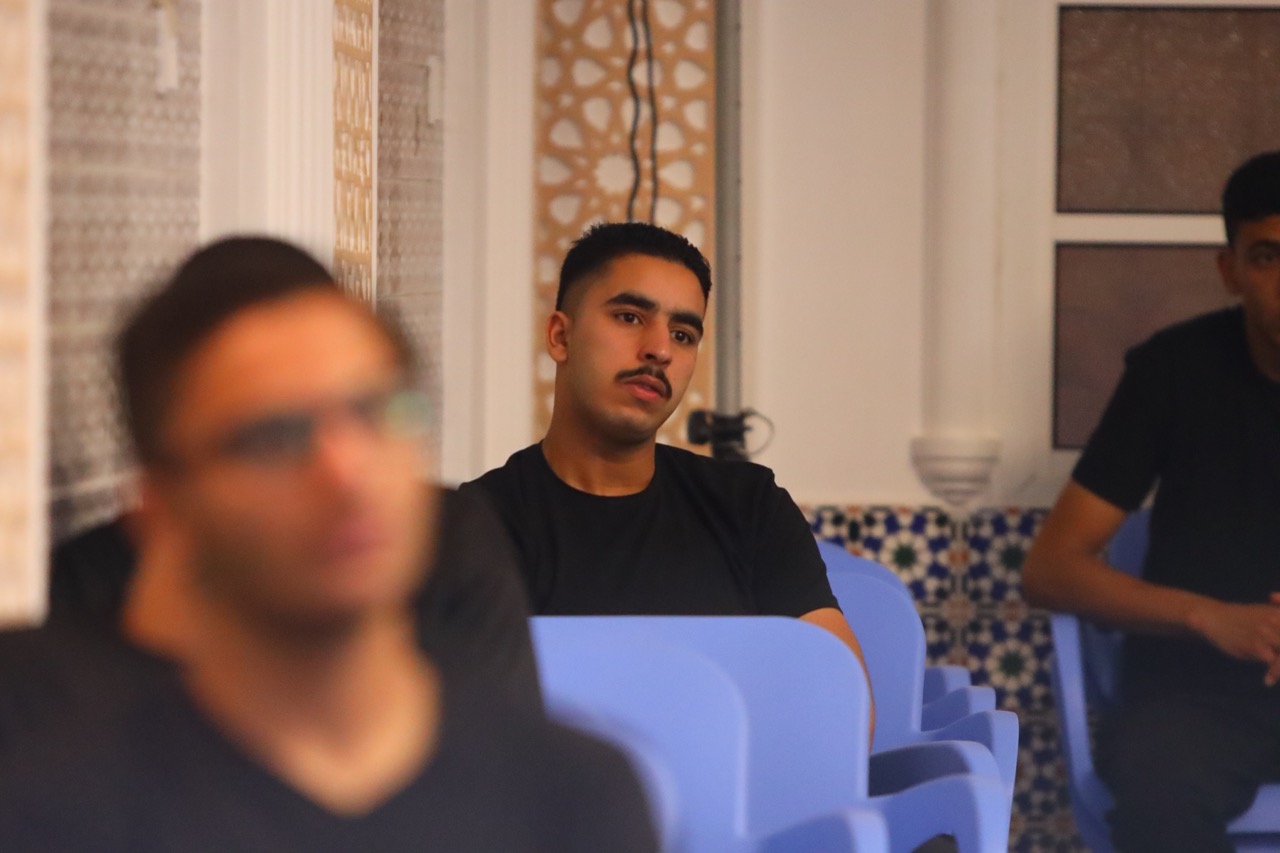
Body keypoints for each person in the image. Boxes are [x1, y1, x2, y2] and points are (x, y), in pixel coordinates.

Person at [0, 237, 657, 853]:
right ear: (161, 509)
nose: (347, 472)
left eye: (376, 413)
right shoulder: (52, 803)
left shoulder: (579, 795)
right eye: (274, 436)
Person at [1023, 150, 1280, 853]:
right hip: (1195, 700)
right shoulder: (1175, 370)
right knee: (1158, 790)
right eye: (1267, 257)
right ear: (1230, 270)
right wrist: (1209, 616)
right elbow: (1050, 570)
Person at [461, 222, 866, 666]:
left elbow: (839, 686)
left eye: (682, 334)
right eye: (630, 317)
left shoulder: (750, 508)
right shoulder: (477, 528)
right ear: (560, 336)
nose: (660, 350)